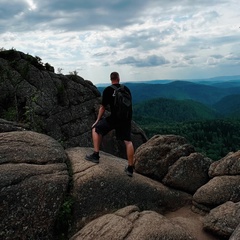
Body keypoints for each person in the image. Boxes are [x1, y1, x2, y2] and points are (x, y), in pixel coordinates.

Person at [85, 72, 135, 177]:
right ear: (119, 78)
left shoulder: (108, 90)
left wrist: (97, 120)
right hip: (125, 119)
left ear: (111, 79)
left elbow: (102, 107)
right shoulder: (126, 89)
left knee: (95, 129)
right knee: (128, 142)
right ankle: (130, 168)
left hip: (114, 119)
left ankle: (96, 155)